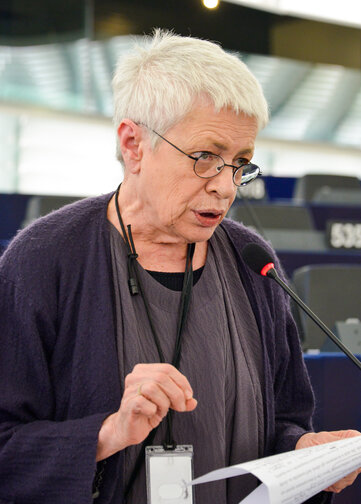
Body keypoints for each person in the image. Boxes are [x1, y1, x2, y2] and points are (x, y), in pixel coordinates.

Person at [0, 29, 360, 504]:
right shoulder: (43, 260)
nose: (227, 187)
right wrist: (108, 432)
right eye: (206, 157)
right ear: (133, 145)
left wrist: (304, 450)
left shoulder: (255, 265)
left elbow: (283, 422)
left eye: (241, 162)